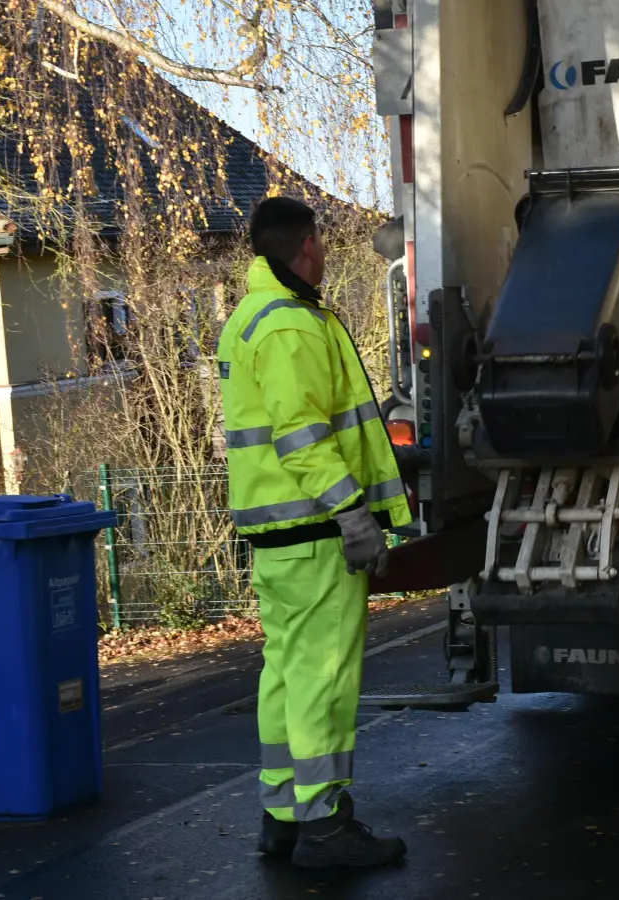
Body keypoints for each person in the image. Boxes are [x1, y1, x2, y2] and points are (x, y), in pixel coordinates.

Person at [217, 196, 413, 869]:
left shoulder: (257, 316)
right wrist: (354, 515)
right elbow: (302, 440)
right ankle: (325, 825)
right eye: (322, 244)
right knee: (323, 681)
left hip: (281, 538)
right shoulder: (291, 328)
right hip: (312, 533)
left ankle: (284, 816)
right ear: (305, 246)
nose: (326, 254)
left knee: (286, 677)